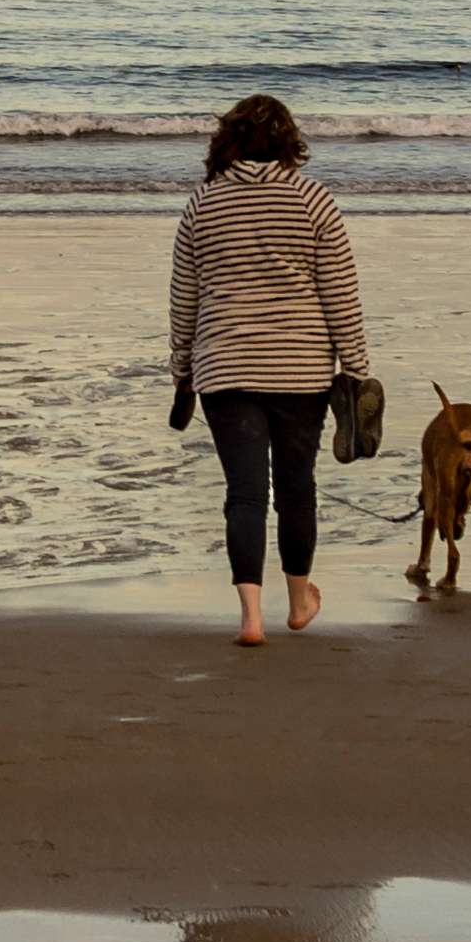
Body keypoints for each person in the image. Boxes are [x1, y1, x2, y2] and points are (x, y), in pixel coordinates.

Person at [165, 91, 368, 645]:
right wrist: (356, 367)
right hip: (301, 368)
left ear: (226, 141)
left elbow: (185, 297)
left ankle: (250, 617)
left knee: (246, 494)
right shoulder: (312, 199)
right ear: (288, 142)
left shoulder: (202, 204)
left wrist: (182, 364)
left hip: (224, 367)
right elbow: (340, 294)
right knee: (297, 487)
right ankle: (299, 600)